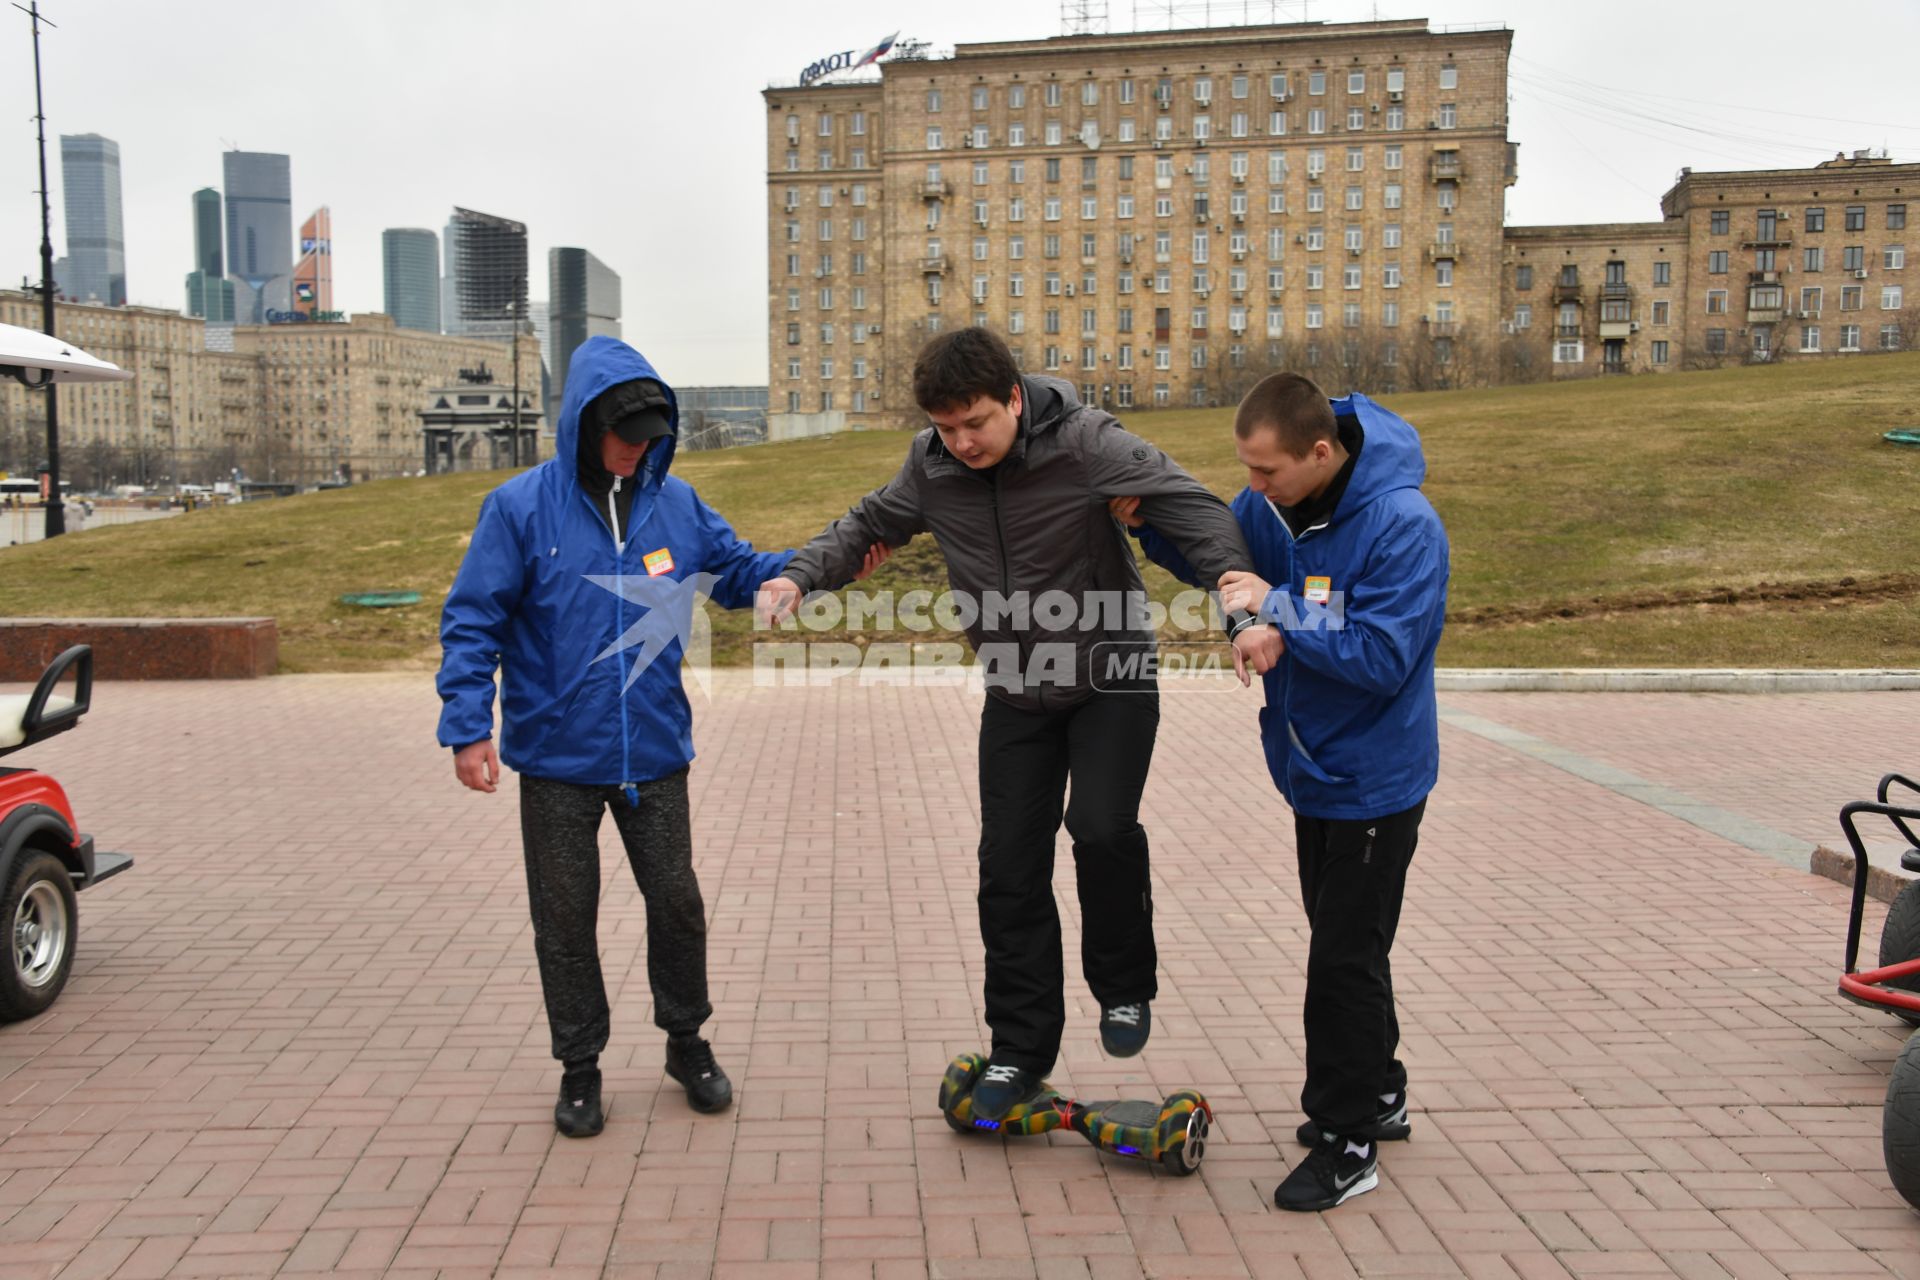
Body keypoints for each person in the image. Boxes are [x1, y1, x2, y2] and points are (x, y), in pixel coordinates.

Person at [758, 326, 1262, 1121]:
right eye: (945, 429)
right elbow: (866, 526)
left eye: (976, 424)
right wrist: (798, 576)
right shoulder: (930, 467)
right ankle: (1020, 1050)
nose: (962, 444)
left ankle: (1124, 988)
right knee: (1007, 869)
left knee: (1098, 829)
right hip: (1016, 691)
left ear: (1014, 399)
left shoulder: (1087, 442)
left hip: (1110, 680)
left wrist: (1235, 585)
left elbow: (1187, 505)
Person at [437, 336, 795, 1138]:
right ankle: (580, 1067)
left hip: (656, 755)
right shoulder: (520, 508)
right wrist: (468, 727)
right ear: (587, 425)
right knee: (565, 918)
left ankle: (687, 1042)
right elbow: (471, 622)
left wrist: (804, 569)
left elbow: (736, 570)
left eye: (651, 439)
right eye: (626, 437)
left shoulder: (677, 504)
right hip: (558, 759)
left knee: (677, 903)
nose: (639, 451)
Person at [1114, 371, 1448, 1212]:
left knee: (1339, 959)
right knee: (1351, 947)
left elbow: (1380, 656)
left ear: (1321, 452)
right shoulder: (1271, 509)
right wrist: (1148, 529)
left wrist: (1280, 610)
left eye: (1266, 473)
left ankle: (1347, 1142)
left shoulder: (1404, 526)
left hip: (1376, 779)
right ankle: (1381, 1090)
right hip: (1310, 770)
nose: (1253, 490)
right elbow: (1225, 557)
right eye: (1247, 470)